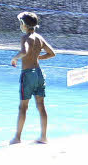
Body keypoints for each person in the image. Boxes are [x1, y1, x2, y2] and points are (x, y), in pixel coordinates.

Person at [9, 11, 56, 145]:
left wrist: (14, 58)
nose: (20, 26)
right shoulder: (39, 38)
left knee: (23, 107)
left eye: (20, 23)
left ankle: (17, 138)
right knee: (41, 106)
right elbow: (52, 53)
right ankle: (44, 137)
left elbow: (24, 51)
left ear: (24, 25)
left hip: (28, 74)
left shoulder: (25, 38)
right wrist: (38, 57)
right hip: (39, 74)